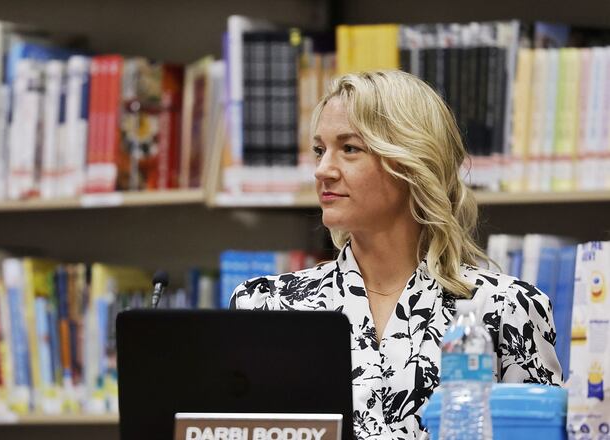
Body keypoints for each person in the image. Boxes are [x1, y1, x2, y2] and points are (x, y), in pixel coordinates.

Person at [230, 70, 562, 440]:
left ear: (410, 162)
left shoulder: (505, 307)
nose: (322, 170)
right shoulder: (266, 305)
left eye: (350, 148)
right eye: (320, 150)